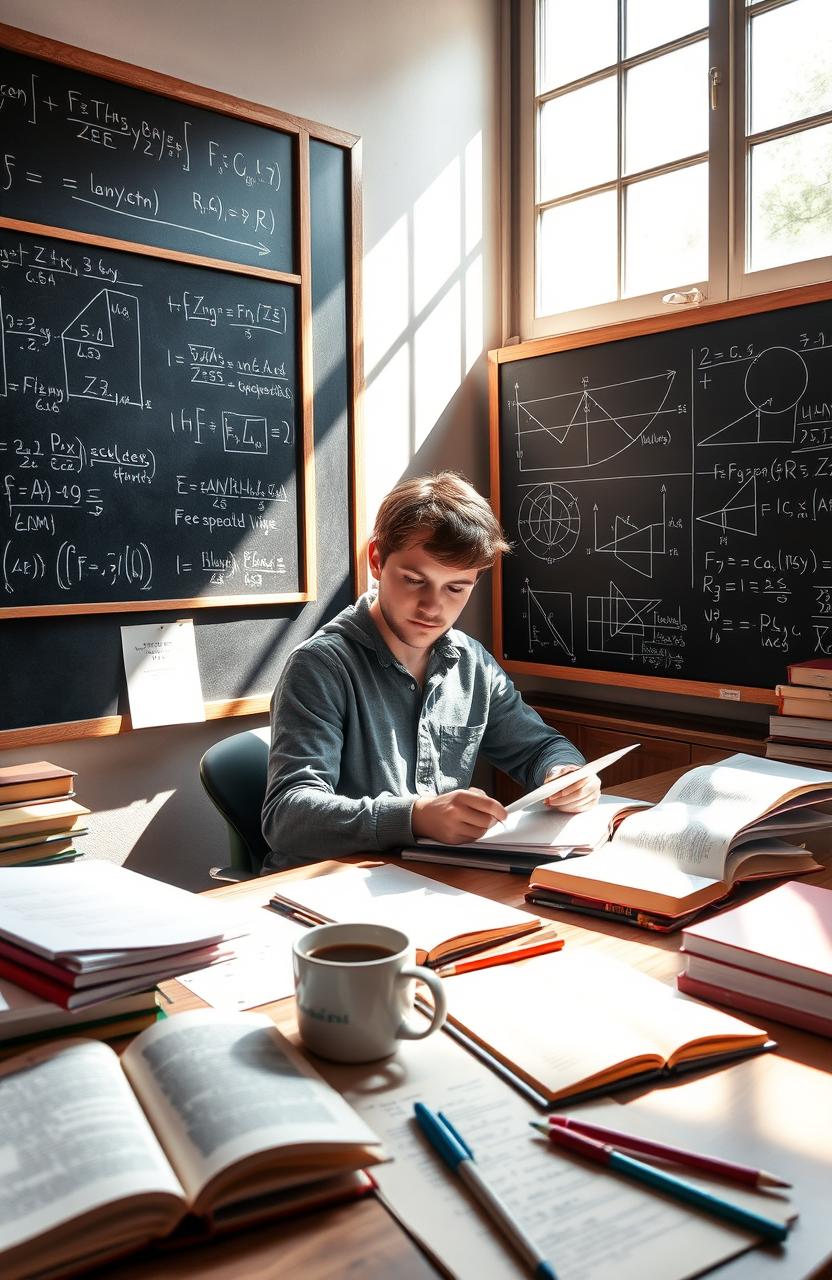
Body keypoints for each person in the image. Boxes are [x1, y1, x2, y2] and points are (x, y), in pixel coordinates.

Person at [261, 472, 599, 870]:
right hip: (329, 889)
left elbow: (541, 747)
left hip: (428, 880)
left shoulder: (472, 663)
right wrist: (414, 816)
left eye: (456, 588)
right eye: (414, 580)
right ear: (376, 559)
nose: (432, 607)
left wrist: (565, 773)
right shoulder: (320, 667)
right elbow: (287, 816)